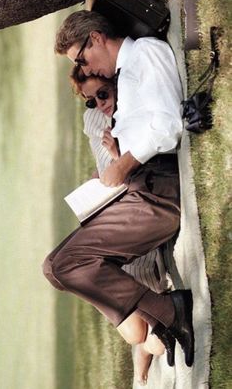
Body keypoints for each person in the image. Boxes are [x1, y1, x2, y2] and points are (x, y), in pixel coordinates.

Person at [43, 10, 194, 368]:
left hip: (158, 192)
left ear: (95, 37)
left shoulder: (144, 54)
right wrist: (114, 166)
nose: (88, 68)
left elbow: (169, 125)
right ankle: (162, 316)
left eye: (82, 58)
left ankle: (171, 312)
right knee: (55, 268)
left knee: (66, 265)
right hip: (138, 188)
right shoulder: (123, 77)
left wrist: (123, 165)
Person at [70, 66, 169, 384]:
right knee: (133, 332)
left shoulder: (134, 109)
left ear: (116, 85)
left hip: (135, 207)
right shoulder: (96, 121)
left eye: (103, 94)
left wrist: (118, 158)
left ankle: (146, 360)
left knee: (141, 336)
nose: (99, 103)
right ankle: (142, 368)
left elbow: (142, 165)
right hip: (111, 204)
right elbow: (104, 168)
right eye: (90, 100)